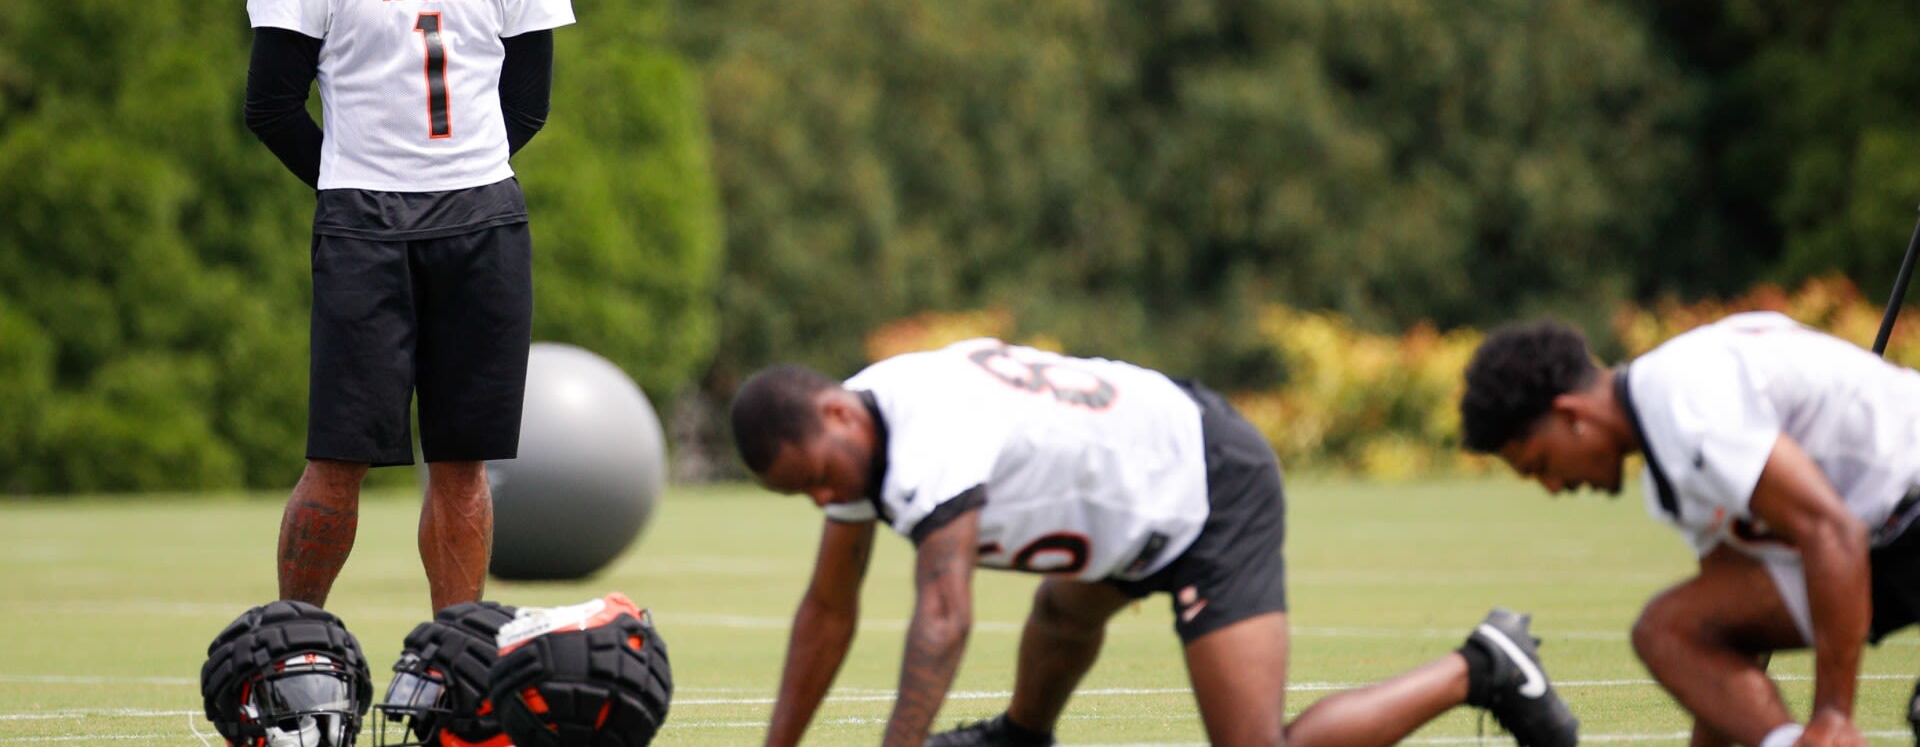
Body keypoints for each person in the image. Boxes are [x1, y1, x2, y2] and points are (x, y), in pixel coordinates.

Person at [730, 337, 1579, 747]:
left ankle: (1486, 663)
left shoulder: (923, 433)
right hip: (1124, 502)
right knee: (1065, 613)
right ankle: (1021, 740)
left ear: (838, 412)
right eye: (798, 492)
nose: (820, 497)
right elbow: (828, 610)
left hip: (1206, 485)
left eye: (816, 476)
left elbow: (944, 618)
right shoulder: (857, 433)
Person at [243, 0, 575, 613]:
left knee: (463, 459)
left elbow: (526, 108)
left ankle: (456, 656)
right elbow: (272, 108)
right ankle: (293, 643)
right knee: (338, 456)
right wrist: (357, 179)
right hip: (363, 229)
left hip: (482, 223)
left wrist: (455, 174)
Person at [1459, 310, 1920, 747]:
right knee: (1675, 629)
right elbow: (1727, 636)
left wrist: (1833, 716)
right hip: (1894, 537)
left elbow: (1833, 532)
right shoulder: (1665, 435)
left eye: (1542, 465)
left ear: (1571, 416)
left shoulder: (1683, 404)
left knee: (1663, 629)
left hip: (1900, 517)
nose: (1554, 487)